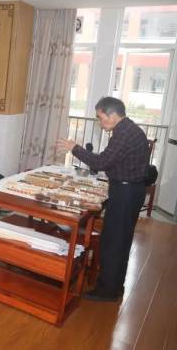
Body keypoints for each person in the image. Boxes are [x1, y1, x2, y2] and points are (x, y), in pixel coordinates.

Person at [56, 97, 150, 302]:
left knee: (113, 242)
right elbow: (112, 161)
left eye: (100, 117)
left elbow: (101, 162)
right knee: (121, 241)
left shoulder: (123, 134)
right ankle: (115, 286)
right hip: (130, 190)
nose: (100, 122)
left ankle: (106, 291)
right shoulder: (128, 128)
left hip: (125, 193)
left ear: (112, 115)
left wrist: (75, 148)